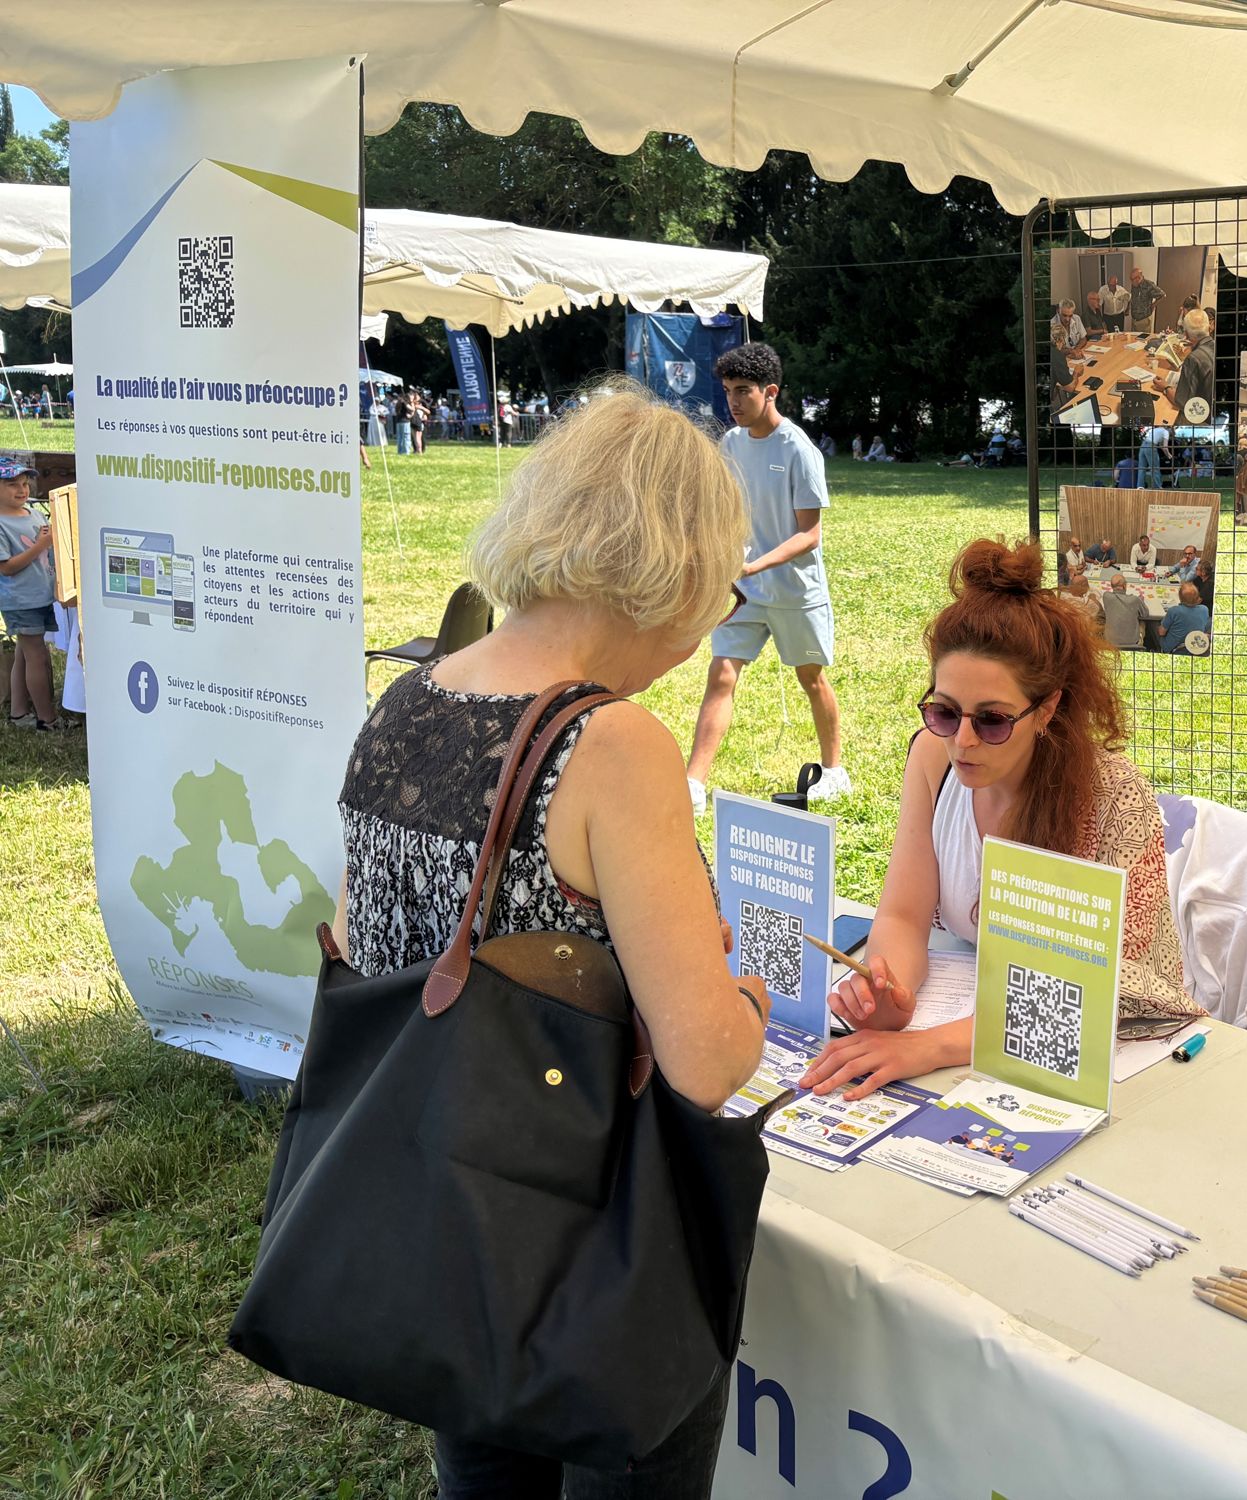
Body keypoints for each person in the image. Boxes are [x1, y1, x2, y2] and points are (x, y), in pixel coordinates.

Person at [330, 388, 770, 1498]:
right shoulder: (608, 744)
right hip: (584, 1238)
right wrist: (745, 1000)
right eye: (719, 589)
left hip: (437, 1211)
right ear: (671, 570)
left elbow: (361, 935)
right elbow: (705, 1061)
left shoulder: (406, 699)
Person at [798, 539, 1202, 1099]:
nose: (961, 741)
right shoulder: (930, 756)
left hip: (1114, 1049)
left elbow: (1086, 992)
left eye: (991, 721)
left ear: (1049, 709)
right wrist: (889, 987)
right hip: (974, 1013)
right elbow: (904, 913)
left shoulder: (1110, 796)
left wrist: (929, 1045)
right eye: (943, 711)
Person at [687, 343, 851, 813]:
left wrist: (754, 564)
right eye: (727, 392)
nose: (733, 402)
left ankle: (834, 771)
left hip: (794, 591)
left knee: (811, 679)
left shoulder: (800, 451)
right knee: (721, 674)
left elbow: (810, 535)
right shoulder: (730, 444)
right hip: (744, 594)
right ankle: (694, 785)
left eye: (743, 391)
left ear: (770, 392)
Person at [0, 458, 58, 731]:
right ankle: (47, 719)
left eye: (24, 483)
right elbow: (8, 568)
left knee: (25, 652)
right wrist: (41, 545)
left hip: (41, 594)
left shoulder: (33, 513)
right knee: (37, 655)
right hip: (22, 599)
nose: (22, 490)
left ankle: (19, 712)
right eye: (12, 485)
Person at [1172, 310, 1216, 421]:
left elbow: (1184, 404)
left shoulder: (1193, 358)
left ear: (1186, 334)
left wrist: (1166, 387)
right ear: (1209, 328)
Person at [1098, 572, 1147, 651]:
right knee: (1143, 622)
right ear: (1125, 586)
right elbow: (1145, 614)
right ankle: (1142, 640)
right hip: (1133, 643)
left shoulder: (1106, 596)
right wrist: (1140, 600)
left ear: (1111, 586)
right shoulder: (1134, 599)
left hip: (1110, 643)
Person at [1158, 583, 1211, 656]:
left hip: (1174, 649)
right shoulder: (1204, 609)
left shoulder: (1174, 611)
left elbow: (1161, 633)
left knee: (1154, 625)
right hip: (1195, 647)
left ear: (1180, 597)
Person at [1128, 266, 1164, 336]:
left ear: (1138, 278)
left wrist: (1153, 305)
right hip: (1134, 319)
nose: (1131, 282)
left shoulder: (1149, 285)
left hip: (1144, 320)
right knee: (1133, 341)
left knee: (1143, 342)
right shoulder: (1134, 285)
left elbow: (1162, 295)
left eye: (1132, 279)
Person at [1139, 418, 1170, 490]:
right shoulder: (1166, 432)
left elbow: (1160, 445)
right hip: (1151, 446)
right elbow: (1165, 447)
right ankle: (1157, 486)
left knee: (1142, 468)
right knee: (1155, 468)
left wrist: (1168, 454)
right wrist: (1168, 455)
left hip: (1143, 445)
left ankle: (1140, 486)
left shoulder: (1155, 430)